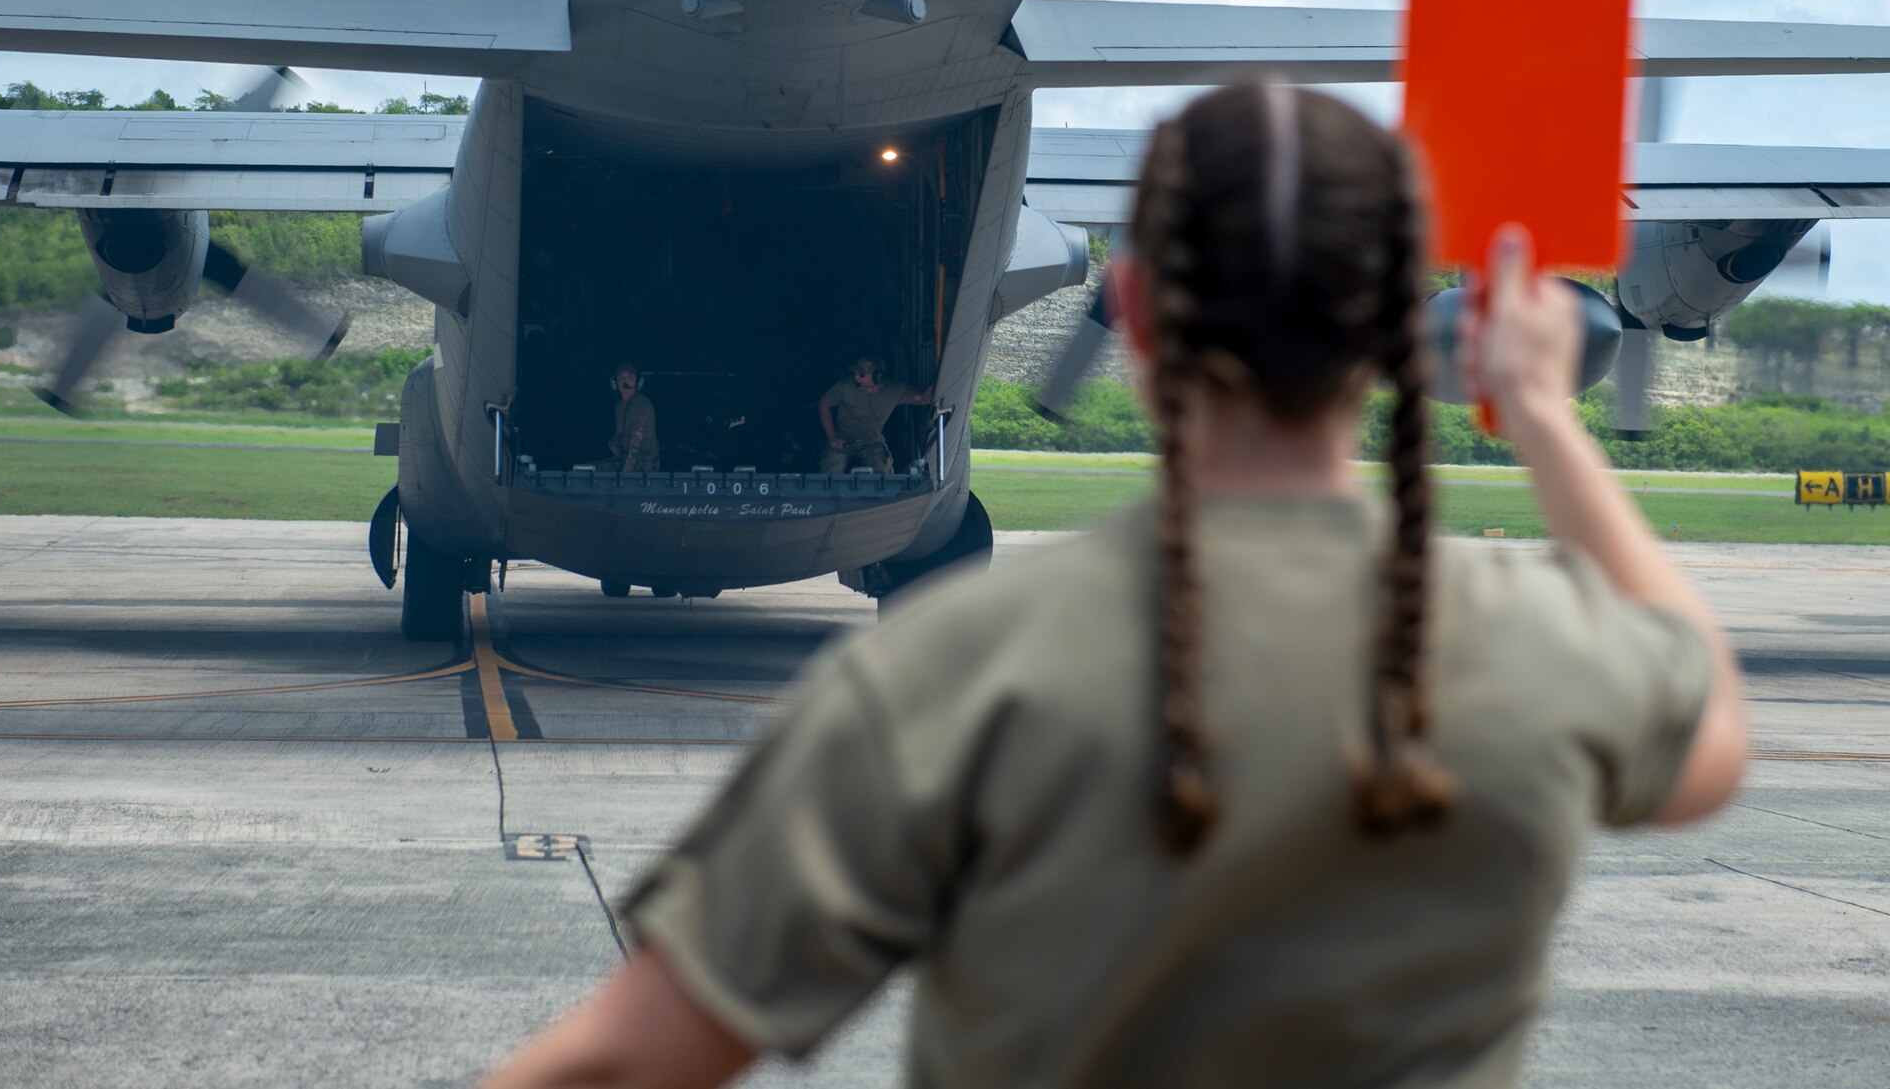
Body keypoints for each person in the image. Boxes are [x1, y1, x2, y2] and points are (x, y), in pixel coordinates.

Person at [478, 83, 1747, 1089]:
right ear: (1390, 326)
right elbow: (1707, 736)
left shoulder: (955, 667)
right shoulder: (1533, 650)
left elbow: (628, 1060)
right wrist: (1534, 407)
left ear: (1131, 312)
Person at [816, 356, 929, 474]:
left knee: (884, 474)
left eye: (861, 375)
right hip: (842, 440)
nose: (856, 377)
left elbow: (923, 398)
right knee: (828, 474)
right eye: (855, 373)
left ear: (877, 376)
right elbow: (823, 404)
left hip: (872, 441)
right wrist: (832, 438)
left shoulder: (894, 390)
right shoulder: (845, 387)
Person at [607, 363, 659, 472]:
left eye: (630, 377)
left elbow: (637, 440)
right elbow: (619, 434)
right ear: (615, 382)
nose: (625, 380)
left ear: (638, 382)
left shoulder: (641, 404)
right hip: (625, 460)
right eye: (621, 377)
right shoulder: (619, 406)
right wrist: (613, 444)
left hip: (644, 465)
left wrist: (627, 471)